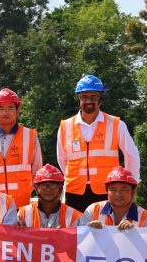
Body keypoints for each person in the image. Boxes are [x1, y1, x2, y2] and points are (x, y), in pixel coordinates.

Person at [58, 75, 140, 212]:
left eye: (93, 97)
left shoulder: (116, 124)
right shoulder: (65, 126)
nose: (88, 101)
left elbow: (131, 155)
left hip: (107, 191)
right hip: (75, 192)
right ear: (79, 98)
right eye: (84, 96)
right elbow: (62, 159)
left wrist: (130, 185)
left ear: (100, 99)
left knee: (106, 231)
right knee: (76, 231)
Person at [0, 89, 43, 208]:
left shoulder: (29, 136)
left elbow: (37, 169)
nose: (5, 112)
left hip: (22, 203)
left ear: (17, 111)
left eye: (10, 108)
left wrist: (27, 190)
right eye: (1, 108)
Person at [81, 167, 147, 229]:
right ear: (107, 191)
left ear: (133, 191)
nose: (118, 194)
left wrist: (135, 234)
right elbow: (81, 241)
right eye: (113, 190)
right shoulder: (93, 210)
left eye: (123, 189)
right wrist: (90, 230)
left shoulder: (146, 218)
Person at [15, 165, 82, 228]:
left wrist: (67, 236)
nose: (48, 188)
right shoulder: (23, 214)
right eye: (43, 185)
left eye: (52, 185)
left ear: (61, 188)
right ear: (36, 188)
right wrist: (17, 230)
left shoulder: (75, 216)